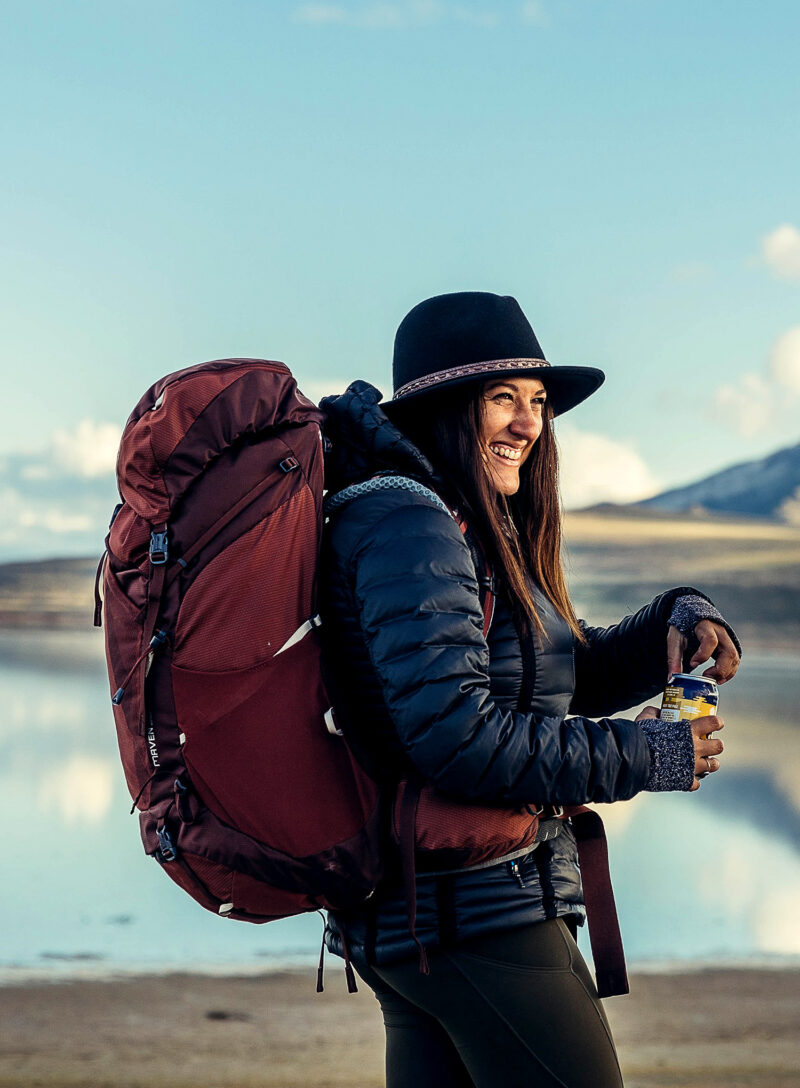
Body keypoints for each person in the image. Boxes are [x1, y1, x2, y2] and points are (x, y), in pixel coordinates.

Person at [318, 292, 741, 1088]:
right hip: (475, 915)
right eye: (503, 399)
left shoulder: (455, 521)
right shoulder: (413, 528)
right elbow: (457, 737)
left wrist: (672, 623)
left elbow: (552, 680)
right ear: (445, 408)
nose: (529, 424)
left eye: (539, 403)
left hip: (433, 917)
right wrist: (646, 753)